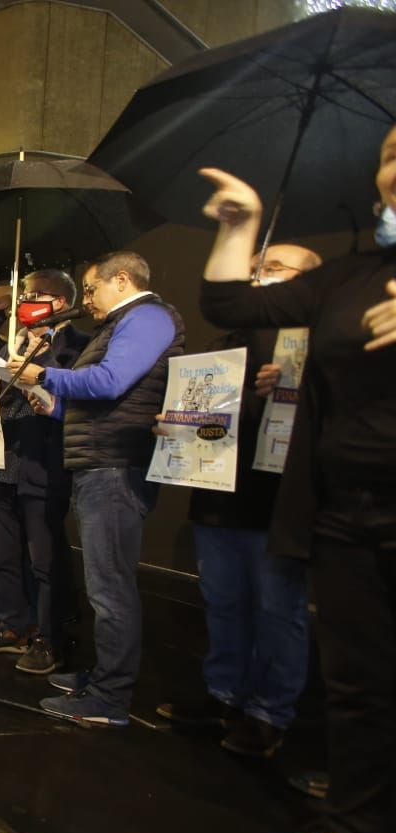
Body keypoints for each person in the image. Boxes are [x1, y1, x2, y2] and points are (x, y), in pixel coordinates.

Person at [197, 138, 396, 833]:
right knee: (360, 680)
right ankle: (358, 819)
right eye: (389, 153)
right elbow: (225, 300)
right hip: (347, 508)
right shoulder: (352, 276)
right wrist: (239, 228)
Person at [157, 244, 321, 757]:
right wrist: (175, 424)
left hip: (281, 500)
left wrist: (300, 386)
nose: (259, 277)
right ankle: (225, 692)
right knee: (224, 602)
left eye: (274, 269)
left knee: (278, 609)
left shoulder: (320, 344)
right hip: (219, 495)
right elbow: (209, 414)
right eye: (255, 268)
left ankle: (271, 713)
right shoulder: (227, 341)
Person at [14, 251, 184, 726]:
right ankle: (103, 673)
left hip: (115, 465)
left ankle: (111, 697)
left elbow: (110, 382)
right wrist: (57, 409)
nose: (87, 299)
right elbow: (103, 400)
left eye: (90, 289)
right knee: (102, 583)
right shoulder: (118, 324)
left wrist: (44, 374)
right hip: (97, 460)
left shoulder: (147, 316)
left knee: (111, 588)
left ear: (122, 280)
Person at [0, 270, 88, 674]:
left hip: (43, 461)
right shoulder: (10, 343)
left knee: (44, 560)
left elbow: (79, 398)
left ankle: (48, 637)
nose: (24, 302)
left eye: (33, 295)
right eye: (24, 295)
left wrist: (40, 371)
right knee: (2, 553)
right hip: (0, 459)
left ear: (59, 303)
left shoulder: (78, 346)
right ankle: (14, 624)